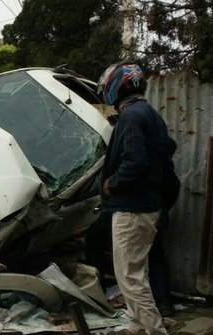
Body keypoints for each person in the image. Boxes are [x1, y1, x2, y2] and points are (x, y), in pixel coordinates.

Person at [98, 63, 176, 335]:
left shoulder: (131, 116)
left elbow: (135, 161)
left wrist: (112, 183)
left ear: (114, 87)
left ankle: (155, 330)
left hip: (132, 207)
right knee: (138, 273)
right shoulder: (150, 114)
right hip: (148, 205)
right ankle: (134, 325)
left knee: (129, 279)